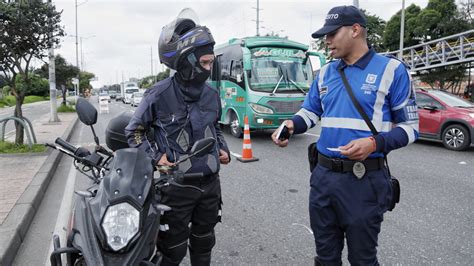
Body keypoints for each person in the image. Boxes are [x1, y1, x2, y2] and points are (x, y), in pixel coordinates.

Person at [272, 5, 419, 265]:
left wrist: (375, 142)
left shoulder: (392, 70)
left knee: (363, 259)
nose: (326, 41)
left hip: (365, 181)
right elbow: (311, 111)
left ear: (355, 30)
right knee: (325, 257)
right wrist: (292, 124)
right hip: (323, 179)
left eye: (332, 33)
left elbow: (410, 128)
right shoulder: (326, 73)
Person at [125, 11, 230, 266]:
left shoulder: (211, 95)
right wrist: (156, 157)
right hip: (176, 187)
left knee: (204, 243)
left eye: (210, 63)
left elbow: (214, 128)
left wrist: (222, 148)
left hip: (209, 185)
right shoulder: (158, 94)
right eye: (204, 63)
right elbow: (134, 131)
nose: (209, 69)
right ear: (187, 62)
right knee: (172, 250)